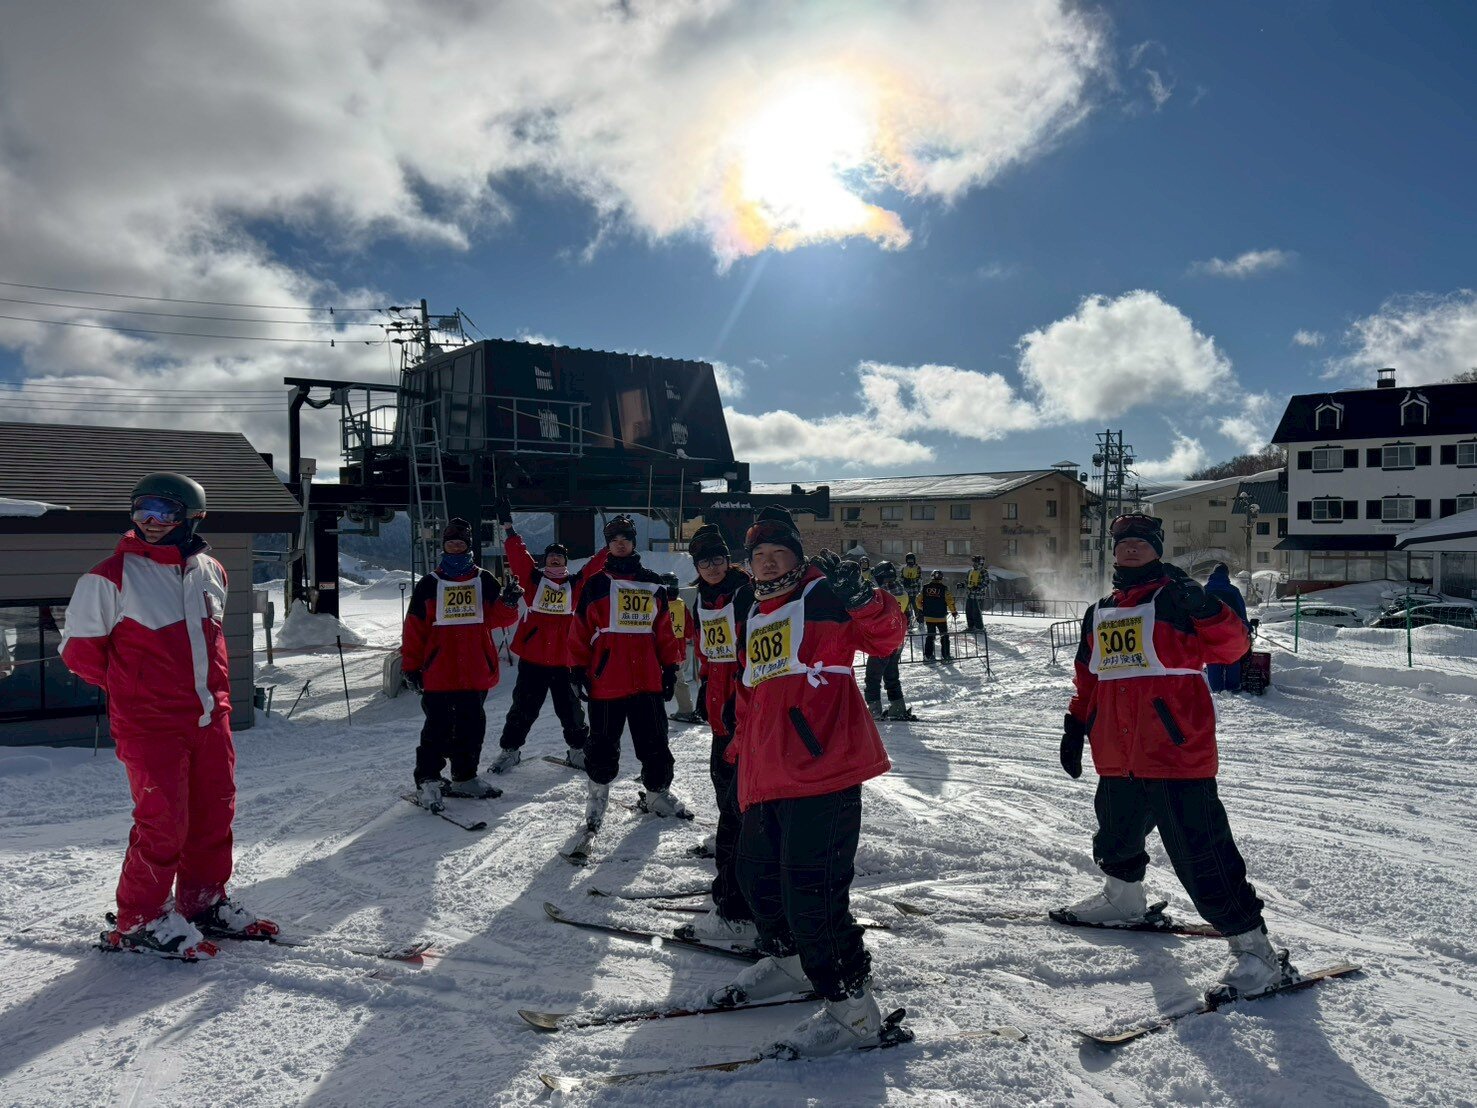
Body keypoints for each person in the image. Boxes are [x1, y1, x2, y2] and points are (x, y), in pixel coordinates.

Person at [1056, 513, 1298, 1002]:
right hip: (1117, 751)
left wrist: (1205, 606)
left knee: (1199, 850)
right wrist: (1076, 723)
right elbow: (1089, 676)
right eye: (1123, 541)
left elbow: (1233, 650)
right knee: (1116, 831)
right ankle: (1123, 900)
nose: (1130, 548)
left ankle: (1256, 952)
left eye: (1141, 542)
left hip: (1174, 748)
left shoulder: (1177, 598)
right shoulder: (1100, 610)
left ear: (1157, 548)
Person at [707, 507, 906, 1057]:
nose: (769, 565)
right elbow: (753, 691)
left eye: (779, 556)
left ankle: (854, 1013)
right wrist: (738, 750)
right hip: (766, 774)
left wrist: (865, 597)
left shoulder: (824, 595)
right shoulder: (753, 608)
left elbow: (886, 639)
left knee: (812, 897)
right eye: (760, 558)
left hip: (823, 771)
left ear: (797, 558)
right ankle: (792, 965)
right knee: (755, 883)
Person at [62, 473, 274, 959]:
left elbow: (210, 645)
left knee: (213, 814)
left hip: (208, 717)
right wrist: (134, 690)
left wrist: (211, 701)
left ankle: (202, 900)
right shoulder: (109, 576)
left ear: (192, 516)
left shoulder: (213, 571)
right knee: (163, 822)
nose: (151, 522)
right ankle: (140, 917)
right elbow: (81, 654)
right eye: (141, 511)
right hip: (150, 722)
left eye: (163, 511)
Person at [568, 514, 689, 828]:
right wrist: (577, 669)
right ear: (608, 545)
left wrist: (669, 668)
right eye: (614, 539)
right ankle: (597, 796)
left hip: (646, 680)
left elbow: (663, 631)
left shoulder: (652, 583)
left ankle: (657, 793)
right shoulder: (596, 584)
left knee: (655, 742)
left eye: (625, 538)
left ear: (634, 542)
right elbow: (580, 629)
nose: (620, 543)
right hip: (606, 683)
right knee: (603, 745)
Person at [401, 518, 522, 810]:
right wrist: (411, 665)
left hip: (474, 670)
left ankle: (464, 776)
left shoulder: (483, 580)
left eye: (461, 543)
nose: (455, 547)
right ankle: (428, 780)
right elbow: (415, 628)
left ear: (468, 546)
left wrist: (508, 602)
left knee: (471, 726)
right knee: (437, 727)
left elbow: (501, 620)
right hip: (439, 670)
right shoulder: (429, 584)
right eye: (450, 543)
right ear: (443, 546)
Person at [488, 498, 608, 773]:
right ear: (545, 560)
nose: (555, 558)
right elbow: (518, 555)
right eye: (551, 556)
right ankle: (510, 750)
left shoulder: (575, 584)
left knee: (571, 710)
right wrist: (508, 527)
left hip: (565, 660)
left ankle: (578, 750)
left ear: (565, 561)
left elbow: (594, 567)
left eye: (560, 556)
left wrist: (610, 544)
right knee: (523, 708)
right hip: (534, 658)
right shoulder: (533, 580)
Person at [684, 523, 757, 942]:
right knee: (722, 783)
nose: (711, 567)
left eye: (716, 558)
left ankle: (738, 888)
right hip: (719, 705)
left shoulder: (745, 591)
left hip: (743, 706)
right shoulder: (703, 599)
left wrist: (735, 695)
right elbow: (709, 647)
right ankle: (734, 864)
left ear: (727, 559)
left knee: (739, 798)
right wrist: (706, 687)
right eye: (703, 561)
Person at [863, 561, 913, 721]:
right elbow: (908, 616)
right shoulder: (903, 592)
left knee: (873, 676)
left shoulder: (880, 595)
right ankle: (898, 707)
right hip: (897, 641)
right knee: (891, 674)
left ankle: (874, 710)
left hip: (882, 642)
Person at [662, 571, 702, 724]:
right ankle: (686, 710)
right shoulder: (680, 604)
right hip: (677, 652)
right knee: (680, 681)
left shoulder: (656, 603)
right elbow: (690, 631)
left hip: (659, 651)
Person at [1204, 563, 1249, 694]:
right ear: (1226, 575)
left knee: (1212, 657)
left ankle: (1215, 687)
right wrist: (1247, 626)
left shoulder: (1205, 590)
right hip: (1232, 630)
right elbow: (1241, 612)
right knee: (1233, 655)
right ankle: (1232, 686)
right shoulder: (1233, 591)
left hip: (1209, 629)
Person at [917, 569, 956, 661]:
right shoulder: (944, 589)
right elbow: (950, 601)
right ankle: (945, 656)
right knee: (944, 636)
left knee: (930, 636)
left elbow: (918, 600)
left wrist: (923, 608)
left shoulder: (925, 588)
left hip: (929, 617)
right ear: (941, 578)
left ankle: (928, 656)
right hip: (941, 618)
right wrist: (954, 612)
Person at [963, 555, 990, 631]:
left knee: (976, 613)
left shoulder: (983, 571)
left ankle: (979, 627)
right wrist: (962, 584)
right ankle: (971, 626)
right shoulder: (970, 571)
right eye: (974, 562)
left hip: (978, 596)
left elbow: (986, 582)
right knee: (969, 611)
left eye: (976, 562)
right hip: (969, 595)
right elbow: (967, 581)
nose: (974, 563)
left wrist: (978, 587)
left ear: (980, 562)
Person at [900, 553, 923, 627]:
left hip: (915, 593)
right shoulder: (904, 569)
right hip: (906, 593)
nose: (910, 562)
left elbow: (919, 580)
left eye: (912, 560)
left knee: (917, 608)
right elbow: (901, 579)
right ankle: (908, 623)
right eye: (909, 560)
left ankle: (921, 623)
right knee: (906, 609)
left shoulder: (917, 568)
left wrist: (910, 582)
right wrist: (904, 582)